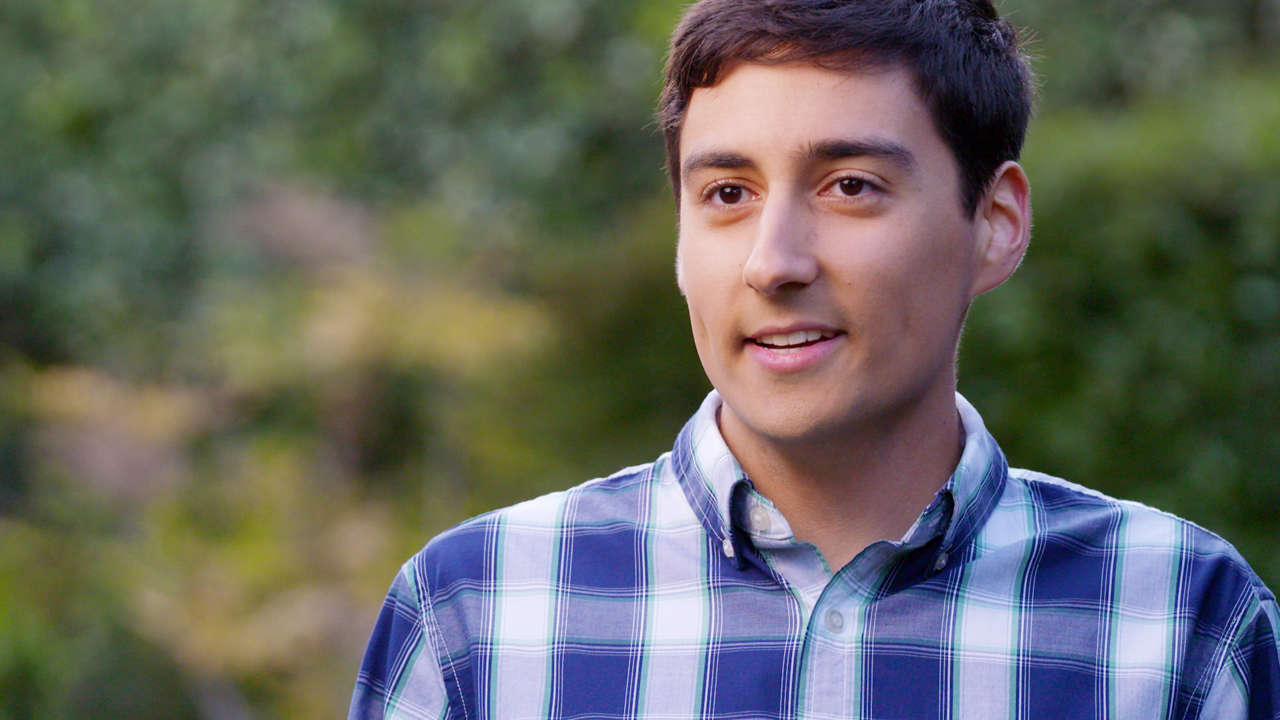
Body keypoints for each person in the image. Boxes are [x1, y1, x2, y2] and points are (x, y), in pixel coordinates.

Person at [349, 0, 1280, 717]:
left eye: (850, 186)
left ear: (995, 223)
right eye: (727, 193)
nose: (773, 262)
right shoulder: (477, 615)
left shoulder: (1180, 623)